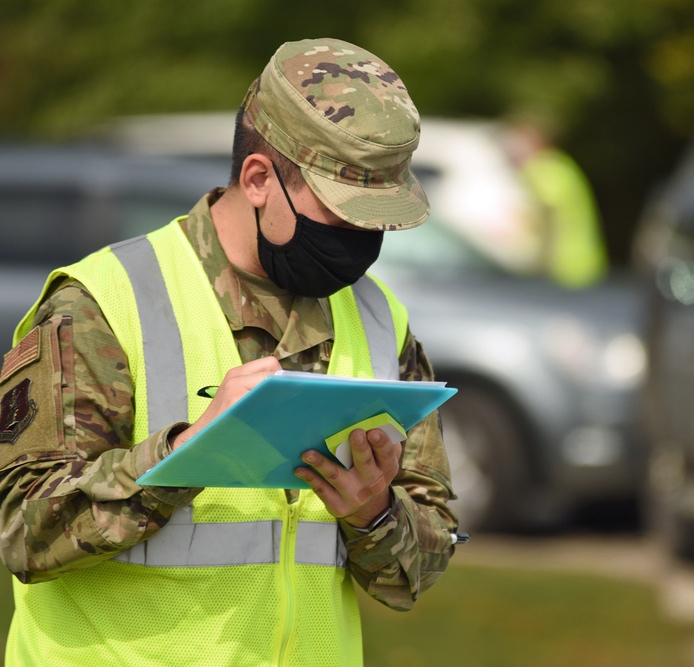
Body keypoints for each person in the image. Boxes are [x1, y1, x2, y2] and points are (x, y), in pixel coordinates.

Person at [0, 38, 458, 666]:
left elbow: (421, 566)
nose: (362, 240)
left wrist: (374, 515)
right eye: (344, 213)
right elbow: (23, 534)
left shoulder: (380, 319)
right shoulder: (103, 303)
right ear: (259, 179)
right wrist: (187, 455)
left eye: (378, 220)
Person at [504, 121, 609, 288]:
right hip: (582, 265)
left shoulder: (541, 169)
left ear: (535, 143)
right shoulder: (561, 165)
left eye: (517, 144)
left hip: (564, 268)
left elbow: (545, 216)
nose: (511, 150)